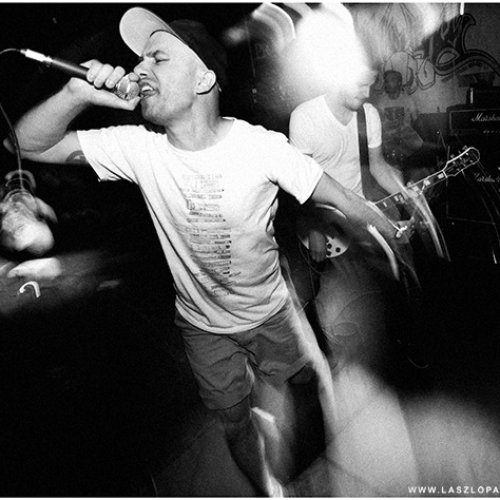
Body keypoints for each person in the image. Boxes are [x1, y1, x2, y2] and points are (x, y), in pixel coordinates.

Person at [5, 7, 401, 496]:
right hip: (203, 329)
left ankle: (311, 467)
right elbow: (24, 143)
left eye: (157, 58)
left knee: (305, 385)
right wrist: (76, 93)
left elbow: (339, 196)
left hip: (270, 313)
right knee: (235, 424)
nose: (139, 69)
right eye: (140, 61)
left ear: (203, 79)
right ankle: (268, 489)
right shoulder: (139, 148)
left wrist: (390, 233)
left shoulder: (260, 147)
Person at [289, 65, 409, 372]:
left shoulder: (368, 115)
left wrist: (408, 196)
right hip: (318, 216)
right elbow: (299, 183)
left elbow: (378, 166)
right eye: (360, 84)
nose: (367, 93)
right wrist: (314, 229)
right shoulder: (305, 117)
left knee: (387, 280)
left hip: (356, 212)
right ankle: (320, 358)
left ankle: (391, 357)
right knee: (310, 292)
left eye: (370, 84)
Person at [374, 70, 424, 170]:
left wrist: (422, 138)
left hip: (406, 141)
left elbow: (417, 121)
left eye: (392, 80)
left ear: (399, 83)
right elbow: (378, 126)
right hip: (388, 143)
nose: (388, 83)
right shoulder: (381, 101)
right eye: (386, 81)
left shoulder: (408, 100)